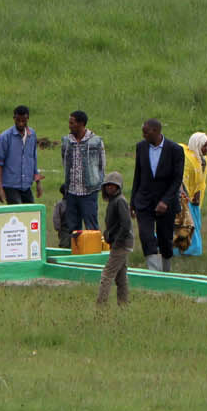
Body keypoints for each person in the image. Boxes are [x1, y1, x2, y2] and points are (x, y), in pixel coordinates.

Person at [130, 118, 183, 272]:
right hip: (144, 200)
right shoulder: (141, 147)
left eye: (146, 132)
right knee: (146, 236)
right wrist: (133, 201)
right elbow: (138, 175)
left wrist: (165, 201)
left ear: (156, 131)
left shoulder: (175, 150)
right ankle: (154, 272)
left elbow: (177, 179)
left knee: (164, 238)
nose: (143, 135)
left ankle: (166, 272)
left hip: (166, 201)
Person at [59, 110, 105, 236]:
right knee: (73, 228)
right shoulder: (67, 141)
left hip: (88, 192)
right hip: (72, 191)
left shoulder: (95, 141)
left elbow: (102, 165)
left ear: (81, 124)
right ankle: (76, 253)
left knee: (91, 226)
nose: (69, 125)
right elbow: (64, 162)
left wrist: (98, 184)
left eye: (72, 123)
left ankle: (93, 253)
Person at [0, 106, 42, 205]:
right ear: (14, 118)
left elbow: (33, 159)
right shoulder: (5, 137)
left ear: (27, 118)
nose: (20, 123)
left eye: (23, 120)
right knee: (17, 214)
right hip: (10, 185)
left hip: (26, 186)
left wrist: (38, 183)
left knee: (30, 213)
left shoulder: (32, 135)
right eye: (18, 120)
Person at [97, 171, 132, 308]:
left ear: (119, 187)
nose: (110, 188)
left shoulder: (120, 201)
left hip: (121, 244)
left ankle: (100, 305)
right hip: (119, 243)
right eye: (108, 185)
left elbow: (126, 225)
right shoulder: (114, 201)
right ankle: (123, 305)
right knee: (121, 277)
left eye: (113, 186)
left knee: (107, 275)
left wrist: (116, 241)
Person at [174, 132, 207, 259]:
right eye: (204, 146)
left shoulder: (204, 160)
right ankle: (182, 250)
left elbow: (201, 180)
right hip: (185, 197)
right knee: (185, 224)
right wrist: (185, 196)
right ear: (197, 145)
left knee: (194, 225)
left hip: (195, 199)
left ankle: (191, 250)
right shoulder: (188, 159)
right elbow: (181, 178)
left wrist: (198, 195)